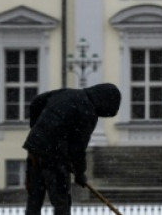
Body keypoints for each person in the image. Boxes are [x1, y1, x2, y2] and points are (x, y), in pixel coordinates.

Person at [23, 83, 121, 215]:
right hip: (55, 156)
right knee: (61, 201)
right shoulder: (88, 111)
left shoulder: (66, 93)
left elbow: (36, 102)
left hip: (34, 149)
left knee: (34, 199)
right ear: (103, 102)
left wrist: (38, 130)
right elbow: (78, 148)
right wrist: (80, 173)